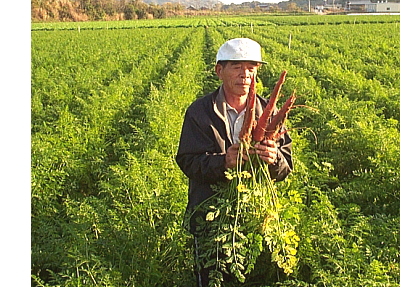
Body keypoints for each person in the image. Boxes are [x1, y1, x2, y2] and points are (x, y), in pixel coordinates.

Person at [175, 38, 293, 287]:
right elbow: (188, 161)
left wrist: (274, 160)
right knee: (213, 278)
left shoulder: (268, 112)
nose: (245, 75)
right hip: (210, 215)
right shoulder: (200, 112)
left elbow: (286, 165)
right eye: (237, 67)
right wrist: (224, 162)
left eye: (252, 68)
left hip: (256, 218)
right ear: (220, 71)